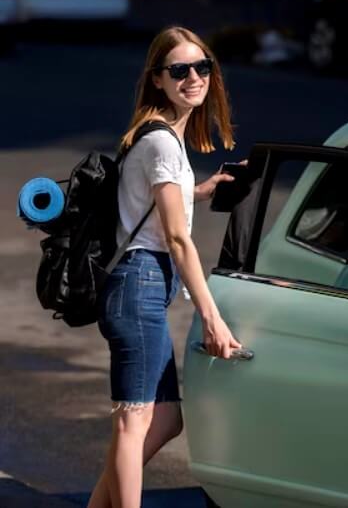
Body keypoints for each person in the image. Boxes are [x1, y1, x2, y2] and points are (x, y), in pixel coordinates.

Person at [87, 26, 243, 508]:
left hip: (146, 287)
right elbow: (176, 238)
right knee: (133, 421)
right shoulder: (159, 142)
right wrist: (212, 316)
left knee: (166, 419)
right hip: (138, 285)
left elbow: (152, 203)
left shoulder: (165, 138)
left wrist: (198, 190)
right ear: (158, 78)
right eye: (179, 70)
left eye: (202, 67)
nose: (193, 77)